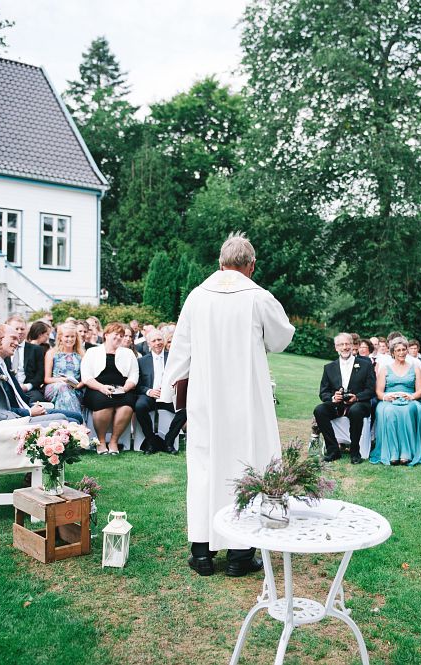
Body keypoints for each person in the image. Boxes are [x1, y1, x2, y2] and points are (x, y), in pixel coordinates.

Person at [161, 233, 295, 577]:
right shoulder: (259, 297)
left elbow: (181, 347)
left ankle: (202, 553)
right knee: (245, 465)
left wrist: (167, 391)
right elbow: (281, 339)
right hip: (246, 399)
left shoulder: (197, 296)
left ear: (220, 264)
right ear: (251, 266)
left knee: (204, 468)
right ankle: (239, 554)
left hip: (205, 397)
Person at [0, 325, 82, 423]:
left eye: (72, 336)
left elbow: (38, 377)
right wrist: (29, 411)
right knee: (68, 418)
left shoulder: (3, 363)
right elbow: (2, 407)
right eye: (13, 338)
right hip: (22, 411)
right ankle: (74, 428)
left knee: (77, 416)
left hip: (25, 404)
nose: (17, 343)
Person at [313, 333, 376, 464]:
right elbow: (323, 392)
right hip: (338, 405)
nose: (345, 347)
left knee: (356, 410)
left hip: (359, 403)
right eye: (341, 344)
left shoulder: (366, 365)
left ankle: (355, 451)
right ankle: (333, 450)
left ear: (352, 345)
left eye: (347, 344)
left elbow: (371, 390)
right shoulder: (329, 367)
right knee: (319, 410)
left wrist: (357, 397)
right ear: (336, 348)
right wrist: (332, 397)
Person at [369, 337, 421, 466]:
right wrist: (386, 397)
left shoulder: (415, 367)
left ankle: (407, 452)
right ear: (393, 352)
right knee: (388, 411)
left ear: (407, 351)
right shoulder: (385, 368)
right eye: (398, 350)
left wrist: (411, 396)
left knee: (408, 410)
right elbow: (379, 392)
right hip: (389, 400)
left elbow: (420, 390)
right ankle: (392, 452)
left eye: (404, 349)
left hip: (410, 399)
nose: (401, 352)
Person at [81, 322, 139, 455]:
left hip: (122, 389)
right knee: (103, 403)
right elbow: (86, 376)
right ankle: (101, 442)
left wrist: (125, 388)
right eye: (116, 334)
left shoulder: (128, 353)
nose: (119, 338)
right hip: (97, 389)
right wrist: (101, 387)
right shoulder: (92, 352)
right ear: (106, 335)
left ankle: (114, 441)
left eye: (121, 336)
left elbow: (134, 375)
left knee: (127, 406)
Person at [134, 328, 185, 455]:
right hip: (150, 396)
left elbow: (180, 378)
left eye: (159, 339)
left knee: (184, 409)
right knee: (139, 406)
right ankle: (151, 441)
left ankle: (169, 441)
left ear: (164, 341)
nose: (157, 343)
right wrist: (149, 391)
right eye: (154, 341)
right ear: (148, 343)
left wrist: (171, 389)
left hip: (168, 396)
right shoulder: (141, 361)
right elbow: (137, 385)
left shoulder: (172, 359)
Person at [44, 322, 85, 418]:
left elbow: (85, 378)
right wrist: (63, 380)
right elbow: (47, 379)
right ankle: (77, 420)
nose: (70, 339)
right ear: (60, 337)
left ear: (76, 338)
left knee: (66, 390)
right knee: (64, 387)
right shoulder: (51, 353)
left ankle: (65, 421)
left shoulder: (81, 355)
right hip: (54, 387)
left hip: (76, 388)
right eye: (67, 336)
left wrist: (78, 385)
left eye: (72, 336)